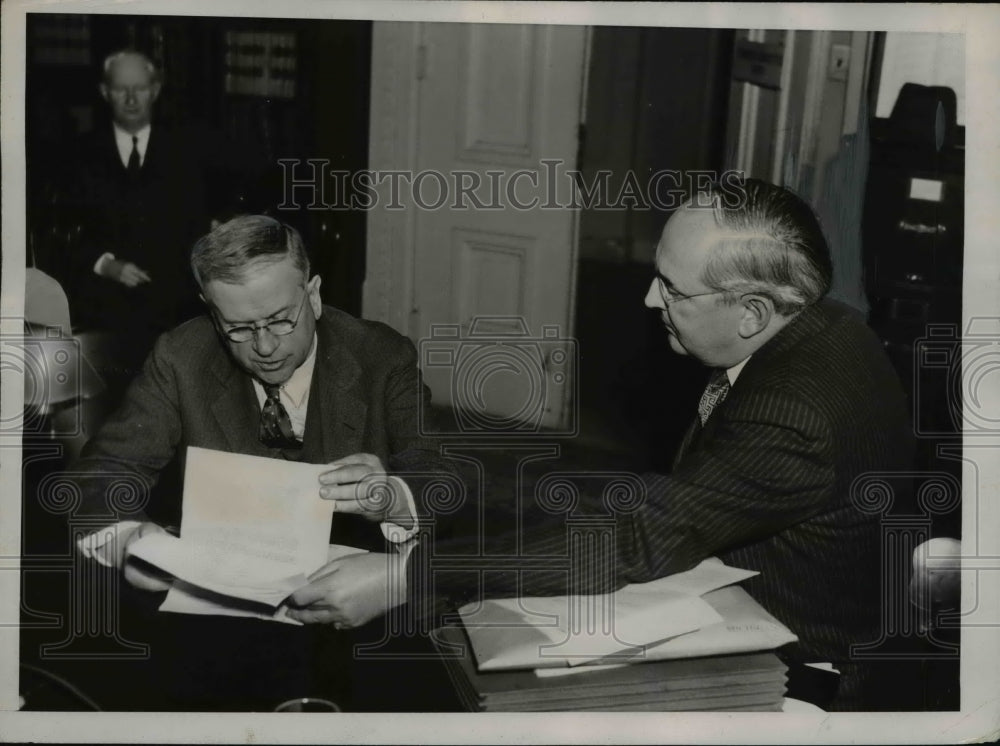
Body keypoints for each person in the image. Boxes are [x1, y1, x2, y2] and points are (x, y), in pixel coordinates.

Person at [322, 178, 916, 711]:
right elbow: (652, 500)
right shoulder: (825, 325)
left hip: (799, 677)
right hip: (744, 602)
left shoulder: (794, 415)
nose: (650, 301)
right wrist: (422, 495)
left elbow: (639, 533)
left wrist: (407, 576)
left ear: (751, 313)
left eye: (673, 290)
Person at [69, 215, 456, 710]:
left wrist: (395, 497)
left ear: (313, 295)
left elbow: (445, 478)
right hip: (220, 622)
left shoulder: (380, 355)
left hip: (358, 619)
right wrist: (128, 544)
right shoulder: (180, 357)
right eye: (240, 329)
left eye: (280, 319)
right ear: (212, 314)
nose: (266, 346)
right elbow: (99, 476)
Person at [61, 49, 236, 382]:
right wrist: (106, 265)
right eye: (119, 88)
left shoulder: (188, 148)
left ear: (154, 91)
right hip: (106, 313)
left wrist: (217, 226)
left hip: (178, 308)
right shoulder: (79, 156)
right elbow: (60, 234)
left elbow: (234, 196)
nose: (130, 98)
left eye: (139, 88)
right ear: (104, 92)